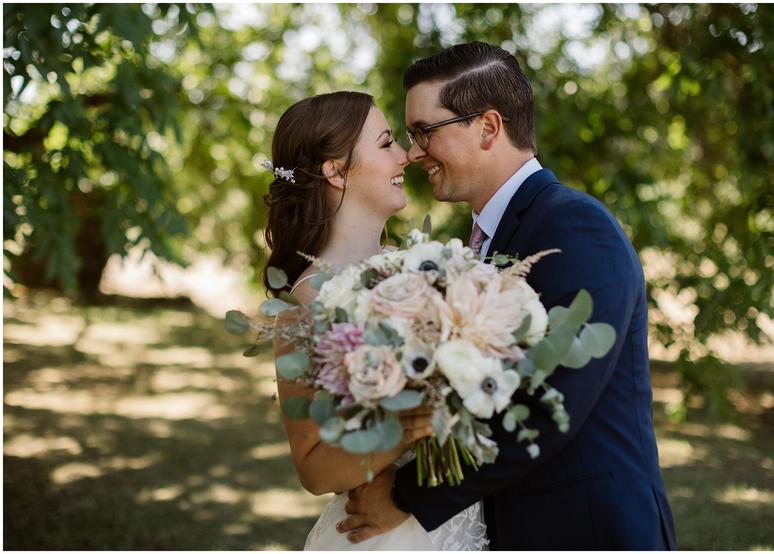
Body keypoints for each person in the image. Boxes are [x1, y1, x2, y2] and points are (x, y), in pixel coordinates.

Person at [336, 42, 678, 550]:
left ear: (488, 127)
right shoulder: (485, 239)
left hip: (585, 530)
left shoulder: (574, 226)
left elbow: (550, 403)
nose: (412, 153)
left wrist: (408, 496)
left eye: (424, 132)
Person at [262, 91, 489, 550]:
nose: (406, 156)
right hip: (387, 534)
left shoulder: (426, 268)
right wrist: (415, 420)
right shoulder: (304, 304)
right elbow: (313, 469)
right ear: (336, 170)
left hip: (463, 519)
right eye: (387, 143)